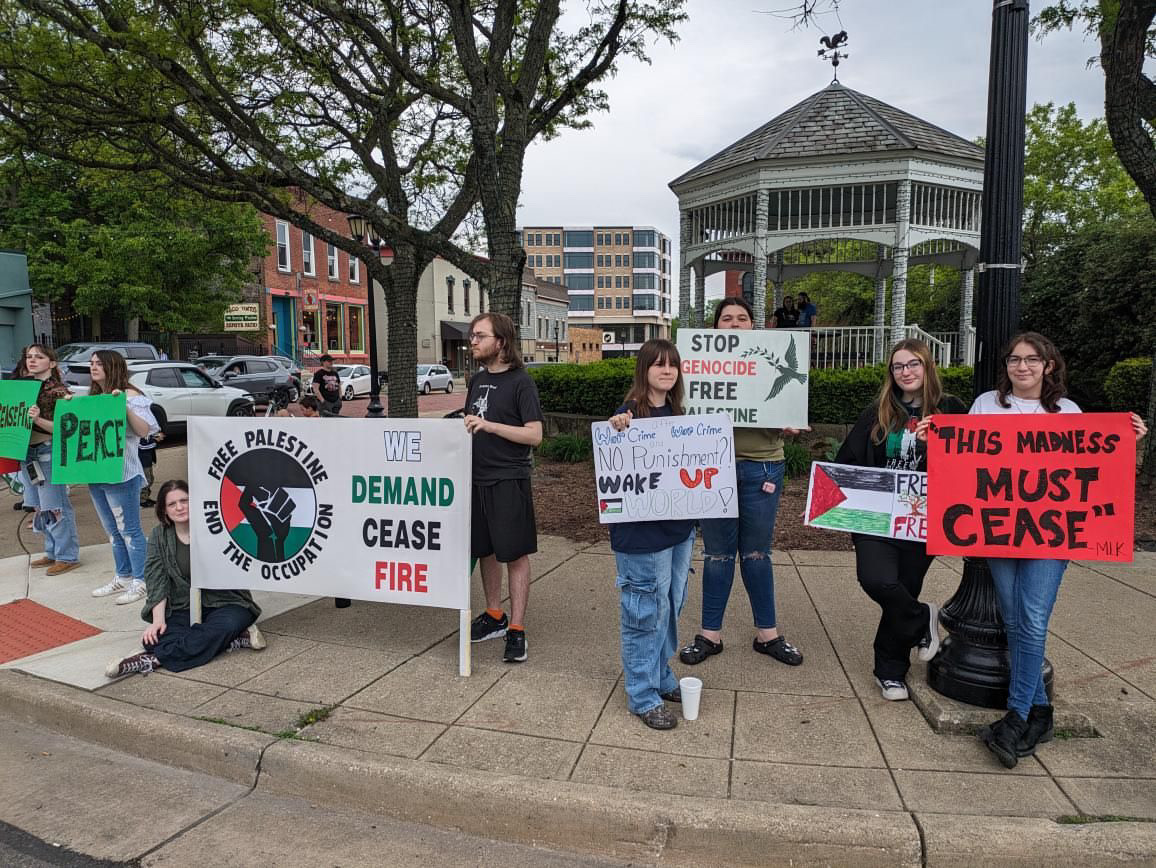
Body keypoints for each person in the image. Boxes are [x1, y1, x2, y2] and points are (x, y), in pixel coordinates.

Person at [970, 332, 1147, 768]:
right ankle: (1040, 713)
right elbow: (965, 457)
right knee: (1013, 618)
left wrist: (1127, 441)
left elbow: (1090, 462)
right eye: (1015, 359)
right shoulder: (987, 405)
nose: (1022, 367)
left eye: (1032, 360)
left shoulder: (1067, 412)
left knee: (1031, 617)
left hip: (1050, 534)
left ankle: (1018, 713)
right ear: (1006, 365)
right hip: (999, 529)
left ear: (1049, 366)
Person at [834, 339, 966, 701]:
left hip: (922, 517)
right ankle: (924, 617)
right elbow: (847, 460)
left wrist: (936, 443)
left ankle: (890, 671)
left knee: (905, 588)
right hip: (876, 516)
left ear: (927, 367)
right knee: (875, 579)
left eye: (913, 364)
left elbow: (969, 465)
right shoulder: (879, 411)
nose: (905, 372)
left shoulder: (951, 409)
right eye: (898, 366)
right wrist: (826, 500)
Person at [680, 297, 804, 670]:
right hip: (713, 468)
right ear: (715, 328)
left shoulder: (770, 361)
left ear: (754, 325)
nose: (734, 324)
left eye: (742, 318)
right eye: (726, 318)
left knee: (756, 553)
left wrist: (789, 423)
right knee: (717, 554)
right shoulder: (696, 366)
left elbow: (786, 411)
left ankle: (767, 634)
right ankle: (709, 635)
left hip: (763, 467)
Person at [608, 339, 697, 730]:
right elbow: (611, 448)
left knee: (670, 606)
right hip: (642, 537)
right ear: (644, 369)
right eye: (658, 364)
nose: (666, 370)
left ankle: (660, 676)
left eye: (672, 365)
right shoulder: (628, 416)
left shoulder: (678, 413)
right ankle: (642, 695)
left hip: (679, 531)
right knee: (644, 612)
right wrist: (618, 426)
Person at [105, 480, 264, 678]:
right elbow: (156, 578)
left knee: (226, 625)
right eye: (172, 504)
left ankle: (151, 660)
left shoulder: (216, 526)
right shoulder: (159, 535)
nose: (179, 507)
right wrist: (158, 620)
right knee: (153, 638)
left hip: (227, 602)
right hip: (183, 606)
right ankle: (234, 639)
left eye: (184, 500)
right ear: (164, 511)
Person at [463, 311, 543, 664]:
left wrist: (491, 426)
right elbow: (472, 425)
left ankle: (517, 629)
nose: (473, 341)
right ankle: (495, 615)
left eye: (480, 335)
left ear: (502, 342)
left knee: (514, 554)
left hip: (509, 479)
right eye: (472, 336)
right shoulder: (476, 381)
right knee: (486, 551)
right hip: (475, 478)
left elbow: (534, 435)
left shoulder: (521, 382)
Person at [85, 350, 161, 605]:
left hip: (122, 473)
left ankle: (142, 580)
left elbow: (145, 430)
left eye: (99, 363)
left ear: (112, 366)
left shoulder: (130, 395)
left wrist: (123, 407)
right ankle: (124, 575)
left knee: (129, 529)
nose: (93, 367)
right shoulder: (95, 397)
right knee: (111, 530)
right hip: (96, 472)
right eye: (92, 363)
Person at [22, 345, 81, 575]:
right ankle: (53, 551)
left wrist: (37, 420)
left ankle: (67, 555)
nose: (32, 360)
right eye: (29, 357)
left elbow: (66, 428)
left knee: (56, 505)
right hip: (28, 451)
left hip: (47, 449)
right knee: (40, 505)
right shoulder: (25, 387)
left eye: (39, 357)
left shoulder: (59, 391)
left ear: (52, 363)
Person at [138, 431, 164, 508]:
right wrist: (155, 439)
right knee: (146, 480)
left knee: (150, 478)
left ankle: (145, 497)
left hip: (147, 458)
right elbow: (143, 445)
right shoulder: (139, 431)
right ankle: (142, 500)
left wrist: (155, 436)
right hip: (143, 459)